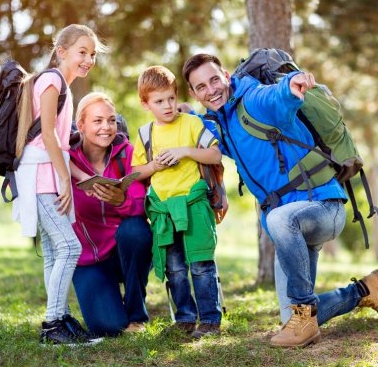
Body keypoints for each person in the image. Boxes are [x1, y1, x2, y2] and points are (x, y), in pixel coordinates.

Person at [182, 53, 378, 348]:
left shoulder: (253, 100)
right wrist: (183, 116)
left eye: (214, 80)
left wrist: (291, 84)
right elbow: (209, 134)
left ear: (225, 75)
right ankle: (365, 290)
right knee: (293, 317)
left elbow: (275, 97)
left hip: (323, 207)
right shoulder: (223, 124)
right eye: (201, 87)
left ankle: (304, 311)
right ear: (194, 93)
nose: (211, 90)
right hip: (291, 225)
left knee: (278, 220)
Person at [12, 24, 108, 345]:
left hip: (47, 176)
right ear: (62, 51)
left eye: (92, 54)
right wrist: (65, 179)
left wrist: (82, 178)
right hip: (40, 179)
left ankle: (61, 318)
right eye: (82, 52)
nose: (88, 59)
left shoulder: (63, 85)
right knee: (70, 247)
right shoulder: (52, 80)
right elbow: (49, 135)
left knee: (55, 252)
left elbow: (59, 144)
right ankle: (53, 324)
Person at [131, 66, 223, 339]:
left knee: (201, 263)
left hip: (194, 206)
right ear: (145, 104)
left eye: (171, 98)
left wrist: (186, 152)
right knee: (175, 269)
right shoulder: (146, 134)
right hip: (164, 211)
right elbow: (136, 172)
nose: (168, 106)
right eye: (159, 101)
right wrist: (153, 166)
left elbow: (215, 155)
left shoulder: (192, 124)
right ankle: (184, 317)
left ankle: (210, 320)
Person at [68, 92, 153, 337]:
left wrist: (121, 201)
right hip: (88, 260)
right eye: (97, 121)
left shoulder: (127, 153)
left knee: (136, 230)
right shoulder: (66, 159)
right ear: (81, 125)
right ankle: (112, 301)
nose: (106, 127)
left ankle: (137, 314)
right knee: (108, 328)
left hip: (123, 251)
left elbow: (140, 204)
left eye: (111, 120)